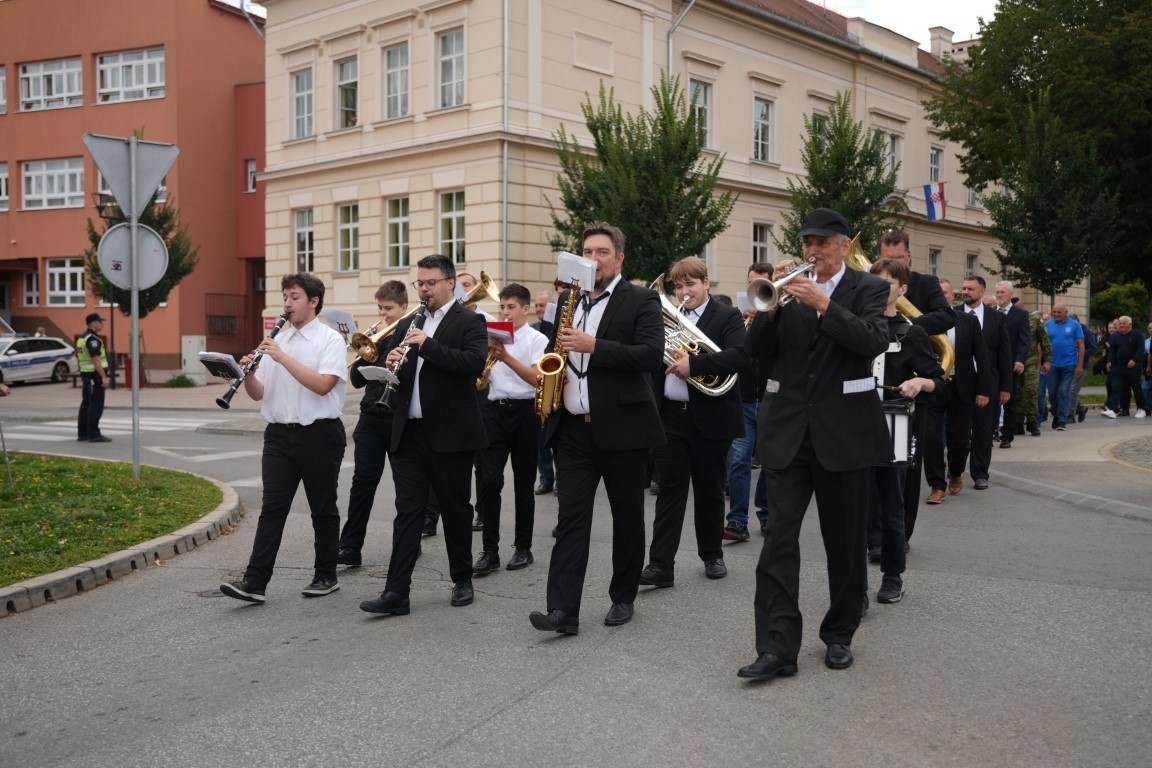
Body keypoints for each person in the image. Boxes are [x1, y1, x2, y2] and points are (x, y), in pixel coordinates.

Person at [736, 208, 891, 680]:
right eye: (807, 241)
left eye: (823, 242)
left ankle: (839, 634)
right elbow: (755, 351)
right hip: (787, 433)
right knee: (778, 542)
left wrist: (824, 304)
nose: (813, 251)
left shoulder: (870, 289)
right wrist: (772, 306)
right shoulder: (783, 289)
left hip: (845, 435)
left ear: (845, 245)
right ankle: (776, 648)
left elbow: (872, 343)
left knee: (843, 544)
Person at [528, 221, 665, 635]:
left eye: (601, 252)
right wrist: (556, 374)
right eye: (587, 252)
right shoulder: (568, 299)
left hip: (622, 427)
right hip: (571, 430)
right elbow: (556, 351)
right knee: (571, 519)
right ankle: (563, 611)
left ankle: (623, 596)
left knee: (627, 517)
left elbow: (649, 355)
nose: (593, 259)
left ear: (619, 258)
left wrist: (596, 348)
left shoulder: (641, 299)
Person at [359, 254, 488, 616]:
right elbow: (400, 368)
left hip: (451, 433)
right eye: (421, 283)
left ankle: (462, 579)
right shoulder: (407, 324)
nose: (425, 289)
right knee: (407, 513)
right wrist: (390, 363)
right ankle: (396, 593)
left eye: (431, 282)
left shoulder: (470, 321)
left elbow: (473, 365)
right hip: (410, 432)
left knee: (455, 509)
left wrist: (427, 345)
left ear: (450, 283)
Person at [219, 273, 349, 603]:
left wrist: (282, 357)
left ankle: (325, 575)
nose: (287, 304)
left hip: (320, 434)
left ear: (313, 301)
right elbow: (259, 393)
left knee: (322, 508)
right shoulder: (278, 342)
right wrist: (245, 374)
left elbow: (323, 385)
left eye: (294, 297)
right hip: (278, 436)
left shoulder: (330, 340)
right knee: (272, 510)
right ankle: (255, 582)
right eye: (285, 297)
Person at [641, 256, 747, 587]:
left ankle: (712, 554)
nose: (684, 291)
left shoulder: (727, 316)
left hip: (711, 416)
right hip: (671, 415)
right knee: (671, 489)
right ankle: (660, 565)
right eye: (678, 286)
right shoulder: (665, 319)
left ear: (705, 283)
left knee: (710, 488)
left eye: (691, 284)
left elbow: (740, 356)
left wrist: (695, 364)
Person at [868, 259, 944, 602]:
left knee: (891, 503)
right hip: (852, 423)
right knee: (852, 505)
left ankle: (892, 575)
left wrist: (921, 381)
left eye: (888, 283)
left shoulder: (910, 332)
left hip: (894, 424)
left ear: (902, 290)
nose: (881, 288)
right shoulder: (855, 326)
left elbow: (939, 381)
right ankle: (853, 582)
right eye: (875, 282)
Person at [473, 283, 550, 574]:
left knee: (523, 482)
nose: (505, 312)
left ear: (525, 309)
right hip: (494, 410)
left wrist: (505, 356)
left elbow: (537, 379)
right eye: (502, 307)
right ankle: (489, 550)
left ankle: (523, 547)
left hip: (525, 412)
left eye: (511, 307)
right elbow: (480, 381)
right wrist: (486, 363)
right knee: (489, 481)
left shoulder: (536, 339)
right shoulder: (490, 337)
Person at [336, 280, 410, 566]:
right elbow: (356, 380)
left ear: (403, 307)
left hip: (399, 419)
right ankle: (350, 546)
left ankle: (407, 542)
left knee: (406, 487)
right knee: (362, 482)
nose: (383, 314)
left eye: (388, 309)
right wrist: (370, 348)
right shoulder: (377, 336)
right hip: (370, 418)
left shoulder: (411, 334)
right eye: (380, 308)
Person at [920, 278, 990, 511]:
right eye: (937, 292)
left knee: (959, 438)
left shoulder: (968, 321)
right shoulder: (922, 320)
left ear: (952, 296)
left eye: (946, 292)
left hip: (962, 385)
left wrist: (983, 389)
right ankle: (936, 485)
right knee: (930, 438)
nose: (942, 295)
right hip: (932, 384)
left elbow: (981, 357)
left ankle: (957, 470)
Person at [724, 262, 774, 541]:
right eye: (750, 284)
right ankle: (737, 520)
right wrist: (744, 326)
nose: (754, 290)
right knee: (739, 460)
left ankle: (766, 514)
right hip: (742, 398)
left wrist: (764, 322)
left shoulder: (778, 316)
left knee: (770, 461)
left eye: (760, 285)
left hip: (770, 397)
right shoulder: (737, 317)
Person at [959, 275, 1012, 489]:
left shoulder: (996, 318)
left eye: (970, 288)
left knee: (982, 429)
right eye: (963, 288)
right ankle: (955, 467)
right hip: (959, 380)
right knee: (959, 429)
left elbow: (1004, 354)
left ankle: (980, 473)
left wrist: (1005, 387)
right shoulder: (953, 314)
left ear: (981, 291)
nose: (965, 292)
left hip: (988, 382)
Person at [993, 282, 1032, 447]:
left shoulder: (1020, 314)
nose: (999, 295)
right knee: (989, 398)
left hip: (1011, 364)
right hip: (992, 363)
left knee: (1009, 399)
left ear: (1010, 294)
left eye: (1002, 292)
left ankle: (1007, 435)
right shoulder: (990, 313)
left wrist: (1020, 360)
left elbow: (1025, 340)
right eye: (997, 292)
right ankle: (990, 431)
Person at [1044, 303, 1085, 429]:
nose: (1056, 314)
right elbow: (1042, 344)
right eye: (1054, 312)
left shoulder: (1074, 325)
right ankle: (1056, 414)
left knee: (1063, 391)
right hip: (1052, 364)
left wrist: (1080, 364)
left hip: (1069, 363)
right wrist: (1043, 362)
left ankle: (1062, 419)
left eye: (1059, 312)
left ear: (1066, 312)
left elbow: (1081, 344)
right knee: (1052, 392)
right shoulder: (1047, 324)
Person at [532, 290, 556, 495]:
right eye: (537, 305)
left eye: (543, 305)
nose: (539, 309)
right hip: (537, 391)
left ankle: (561, 480)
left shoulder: (555, 328)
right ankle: (546, 478)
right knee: (541, 441)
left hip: (555, 390)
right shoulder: (532, 329)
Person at [1101, 315, 1147, 419]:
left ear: (1130, 324)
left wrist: (1134, 360)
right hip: (1118, 367)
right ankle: (1113, 409)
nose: (1121, 325)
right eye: (1120, 323)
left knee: (1136, 388)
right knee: (1116, 387)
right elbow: (1112, 351)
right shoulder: (1116, 336)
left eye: (1123, 323)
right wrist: (1109, 361)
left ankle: (1142, 408)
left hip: (1133, 367)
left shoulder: (1137, 335)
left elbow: (1141, 349)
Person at [76, 313, 112, 443]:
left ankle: (83, 433)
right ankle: (93, 434)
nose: (102, 324)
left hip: (87, 376)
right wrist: (104, 377)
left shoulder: (82, 338)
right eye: (100, 322)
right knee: (95, 406)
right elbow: (95, 359)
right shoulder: (92, 339)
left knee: (86, 405)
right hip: (94, 376)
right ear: (93, 323)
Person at [1020, 312, 1052, 436]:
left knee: (1031, 390)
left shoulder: (1033, 320)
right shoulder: (1006, 317)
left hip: (1031, 360)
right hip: (1013, 360)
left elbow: (1044, 340)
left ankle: (1032, 421)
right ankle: (1017, 422)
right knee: (1016, 392)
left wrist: (1047, 360)